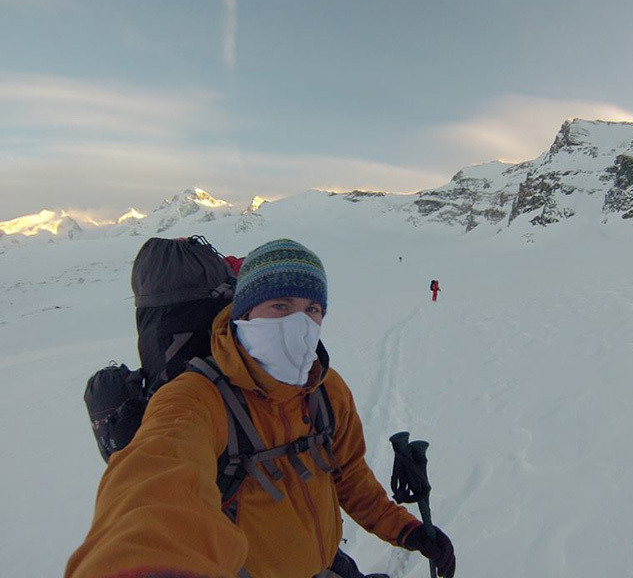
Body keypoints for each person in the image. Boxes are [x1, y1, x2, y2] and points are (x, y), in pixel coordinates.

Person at [66, 239, 456, 578]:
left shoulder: (326, 389)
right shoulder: (194, 398)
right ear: (243, 314)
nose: (299, 323)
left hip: (325, 564)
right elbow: (154, 483)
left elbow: (349, 476)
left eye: (312, 310)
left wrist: (406, 530)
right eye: (280, 305)